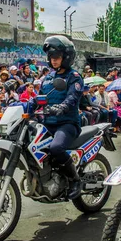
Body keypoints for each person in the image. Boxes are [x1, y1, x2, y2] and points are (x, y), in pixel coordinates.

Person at [40, 35, 84, 199]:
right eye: (52, 57)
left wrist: (62, 107)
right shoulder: (48, 78)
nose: (54, 60)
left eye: (57, 57)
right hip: (48, 123)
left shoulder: (75, 77)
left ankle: (75, 180)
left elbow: (73, 97)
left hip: (67, 123)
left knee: (56, 148)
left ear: (66, 57)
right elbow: (39, 98)